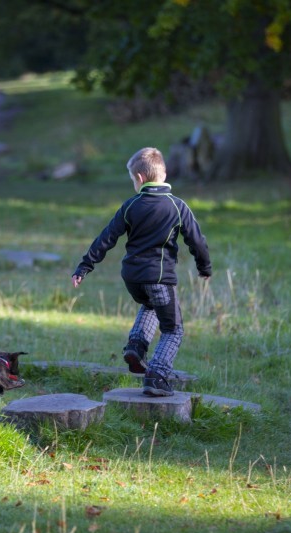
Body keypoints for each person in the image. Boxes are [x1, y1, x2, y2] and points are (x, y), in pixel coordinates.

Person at [71, 147, 212, 396]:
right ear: (164, 174)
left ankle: (136, 345)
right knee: (173, 329)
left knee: (150, 306)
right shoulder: (177, 206)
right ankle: (157, 376)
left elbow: (107, 237)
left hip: (133, 278)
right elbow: (197, 241)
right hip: (159, 279)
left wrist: (85, 266)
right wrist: (204, 267)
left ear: (138, 179)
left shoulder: (131, 205)